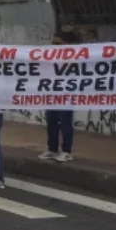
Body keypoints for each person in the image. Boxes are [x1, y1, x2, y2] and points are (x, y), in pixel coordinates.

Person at [41, 31, 77, 163]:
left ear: (66, 44)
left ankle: (66, 151)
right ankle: (52, 149)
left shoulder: (74, 57)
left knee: (65, 123)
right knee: (51, 122)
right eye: (52, 43)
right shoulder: (49, 57)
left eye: (57, 43)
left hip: (66, 95)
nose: (53, 46)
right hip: (51, 95)